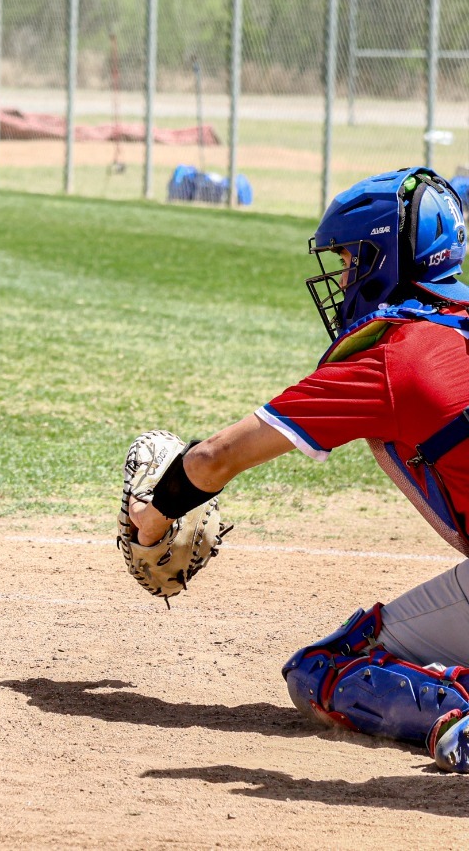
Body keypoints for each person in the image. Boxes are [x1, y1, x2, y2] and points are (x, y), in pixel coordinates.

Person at [121, 166, 469, 770]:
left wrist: (152, 518)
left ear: (384, 256)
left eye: (350, 260)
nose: (342, 277)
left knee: (324, 670)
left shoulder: (392, 354)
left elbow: (215, 457)